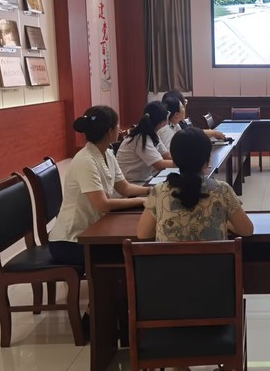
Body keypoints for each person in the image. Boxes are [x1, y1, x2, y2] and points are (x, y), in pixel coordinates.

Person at [137, 127, 254, 371]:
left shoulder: (159, 192)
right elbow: (247, 229)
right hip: (217, 301)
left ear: (175, 160)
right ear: (207, 160)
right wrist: (223, 221)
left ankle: (179, 367)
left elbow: (142, 233)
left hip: (165, 303)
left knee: (178, 281)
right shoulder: (221, 191)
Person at [48, 106, 150, 268]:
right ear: (110, 131)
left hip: (93, 230)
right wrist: (141, 201)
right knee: (134, 253)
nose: (120, 129)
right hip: (71, 240)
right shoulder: (85, 161)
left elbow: (124, 188)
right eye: (117, 126)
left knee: (138, 247)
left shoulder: (107, 152)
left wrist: (152, 191)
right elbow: (102, 204)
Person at [116, 101, 175, 183]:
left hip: (144, 179)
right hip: (132, 183)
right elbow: (159, 164)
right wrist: (186, 164)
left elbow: (166, 155)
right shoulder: (140, 138)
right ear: (162, 123)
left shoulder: (152, 134)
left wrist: (185, 160)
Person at [161, 89, 226, 140]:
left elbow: (192, 133)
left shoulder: (177, 125)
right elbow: (192, 133)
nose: (185, 107)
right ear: (176, 112)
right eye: (183, 105)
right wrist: (213, 133)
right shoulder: (166, 129)